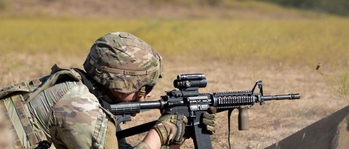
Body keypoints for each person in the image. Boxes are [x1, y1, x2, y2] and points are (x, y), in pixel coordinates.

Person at [0, 32, 216, 149]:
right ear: (123, 84)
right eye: (144, 88)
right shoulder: (81, 107)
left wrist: (174, 138)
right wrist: (158, 135)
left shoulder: (73, 85)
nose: (148, 95)